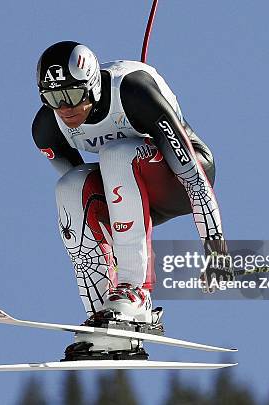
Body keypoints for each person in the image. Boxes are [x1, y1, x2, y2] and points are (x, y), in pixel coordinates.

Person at [32, 41, 232, 331]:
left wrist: (215, 248)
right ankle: (105, 311)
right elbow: (89, 203)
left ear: (92, 85)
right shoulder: (47, 128)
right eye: (53, 98)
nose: (65, 108)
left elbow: (193, 177)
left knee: (116, 153)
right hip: (127, 192)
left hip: (177, 180)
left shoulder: (134, 92)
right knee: (69, 186)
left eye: (73, 94)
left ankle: (136, 293)